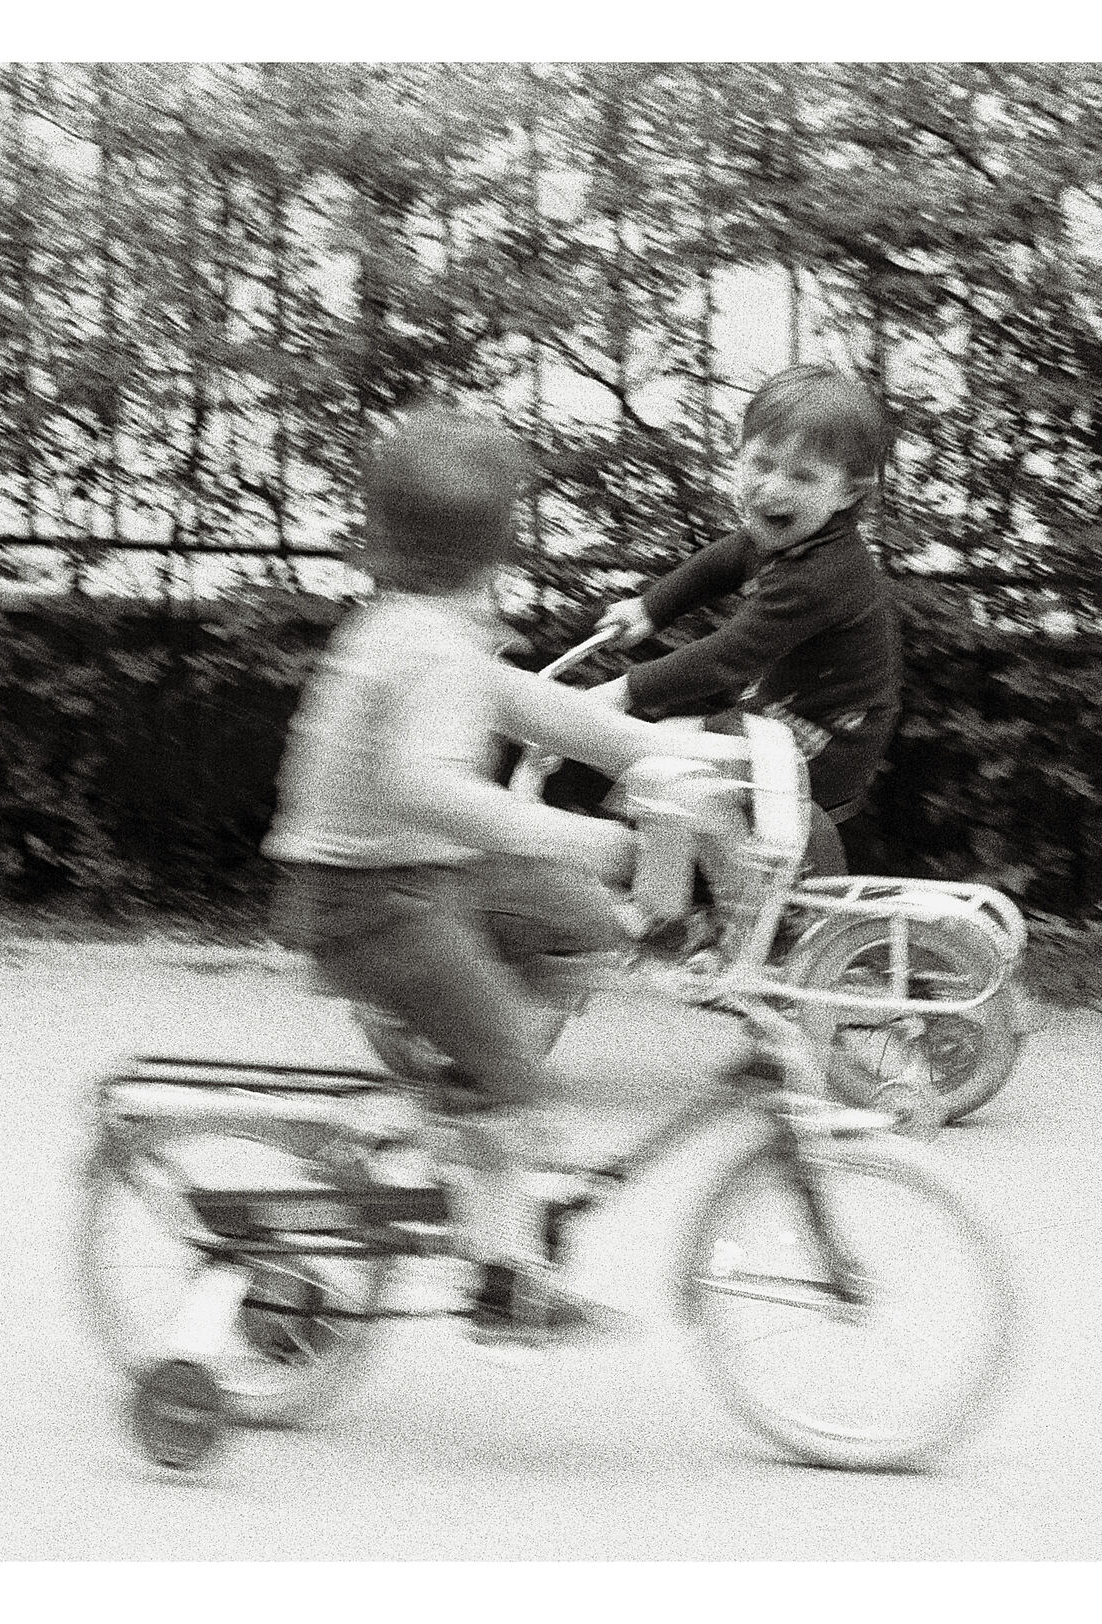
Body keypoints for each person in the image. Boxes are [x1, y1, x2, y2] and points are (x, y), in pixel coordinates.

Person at [264, 407, 750, 1350]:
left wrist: (668, 757)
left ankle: (464, 1097)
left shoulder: (417, 624)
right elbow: (430, 790)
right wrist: (594, 841)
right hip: (370, 901)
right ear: (493, 549)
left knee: (575, 930)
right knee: (522, 1085)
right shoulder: (428, 647)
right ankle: (504, 1275)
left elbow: (540, 709)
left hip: (402, 879)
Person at [591, 364, 903, 878]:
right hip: (779, 710)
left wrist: (626, 690)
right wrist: (649, 610)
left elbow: (729, 654)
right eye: (760, 462)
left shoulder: (822, 575)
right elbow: (721, 562)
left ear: (849, 492)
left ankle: (770, 903)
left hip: (826, 737)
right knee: (666, 763)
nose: (771, 487)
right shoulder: (785, 538)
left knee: (677, 772)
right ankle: (675, 891)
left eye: (802, 475)